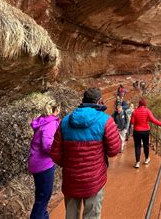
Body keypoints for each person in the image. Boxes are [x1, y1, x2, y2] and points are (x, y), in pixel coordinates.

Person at [50, 88, 121, 219]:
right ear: (100, 101)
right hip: (94, 180)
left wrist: (70, 165)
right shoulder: (105, 120)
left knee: (71, 216)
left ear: (83, 101)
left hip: (71, 180)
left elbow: (54, 153)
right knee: (92, 216)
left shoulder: (65, 121)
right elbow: (114, 151)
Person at [28, 99, 61, 219]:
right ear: (56, 110)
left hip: (36, 162)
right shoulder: (50, 123)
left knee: (41, 195)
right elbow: (47, 145)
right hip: (44, 164)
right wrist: (58, 151)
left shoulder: (42, 120)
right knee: (44, 196)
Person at [130, 98, 161, 168]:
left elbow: (132, 122)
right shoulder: (147, 111)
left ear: (139, 104)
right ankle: (146, 159)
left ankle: (137, 162)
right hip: (145, 131)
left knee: (137, 146)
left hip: (137, 131)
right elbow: (153, 120)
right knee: (146, 145)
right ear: (145, 104)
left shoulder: (134, 112)